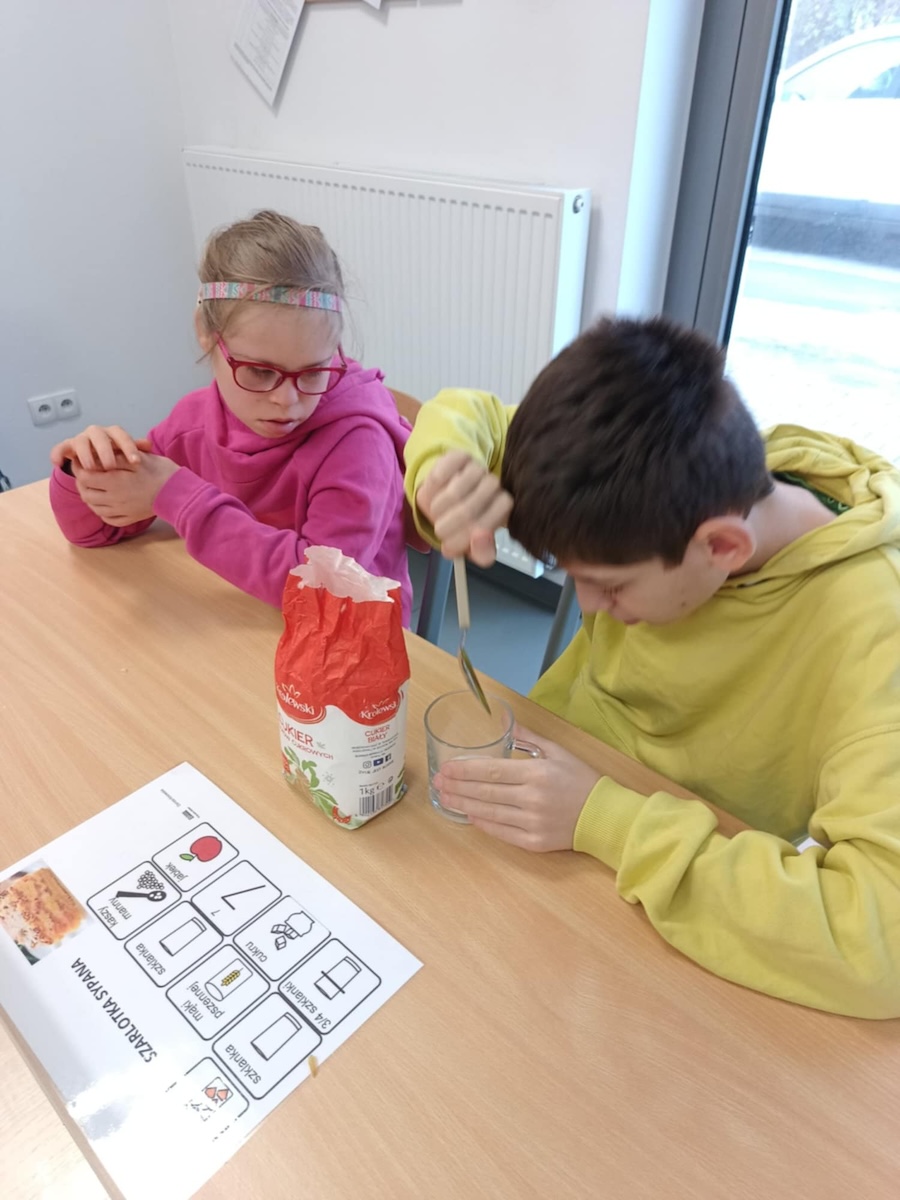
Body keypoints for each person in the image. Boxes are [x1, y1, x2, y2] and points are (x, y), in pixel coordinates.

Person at [404, 314, 900, 1018]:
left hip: (659, 886)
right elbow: (473, 414)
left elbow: (880, 943)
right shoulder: (662, 473)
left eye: (610, 586)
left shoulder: (873, 635)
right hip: (550, 792)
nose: (589, 608)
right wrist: (441, 471)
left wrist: (608, 822)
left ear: (722, 547)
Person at [49, 210, 412, 622]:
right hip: (247, 623)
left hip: (353, 638)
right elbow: (92, 532)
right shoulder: (192, 424)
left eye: (314, 372)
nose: (287, 400)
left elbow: (325, 592)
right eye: (259, 371)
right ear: (206, 334)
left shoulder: (359, 443)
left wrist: (177, 496)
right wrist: (86, 472)